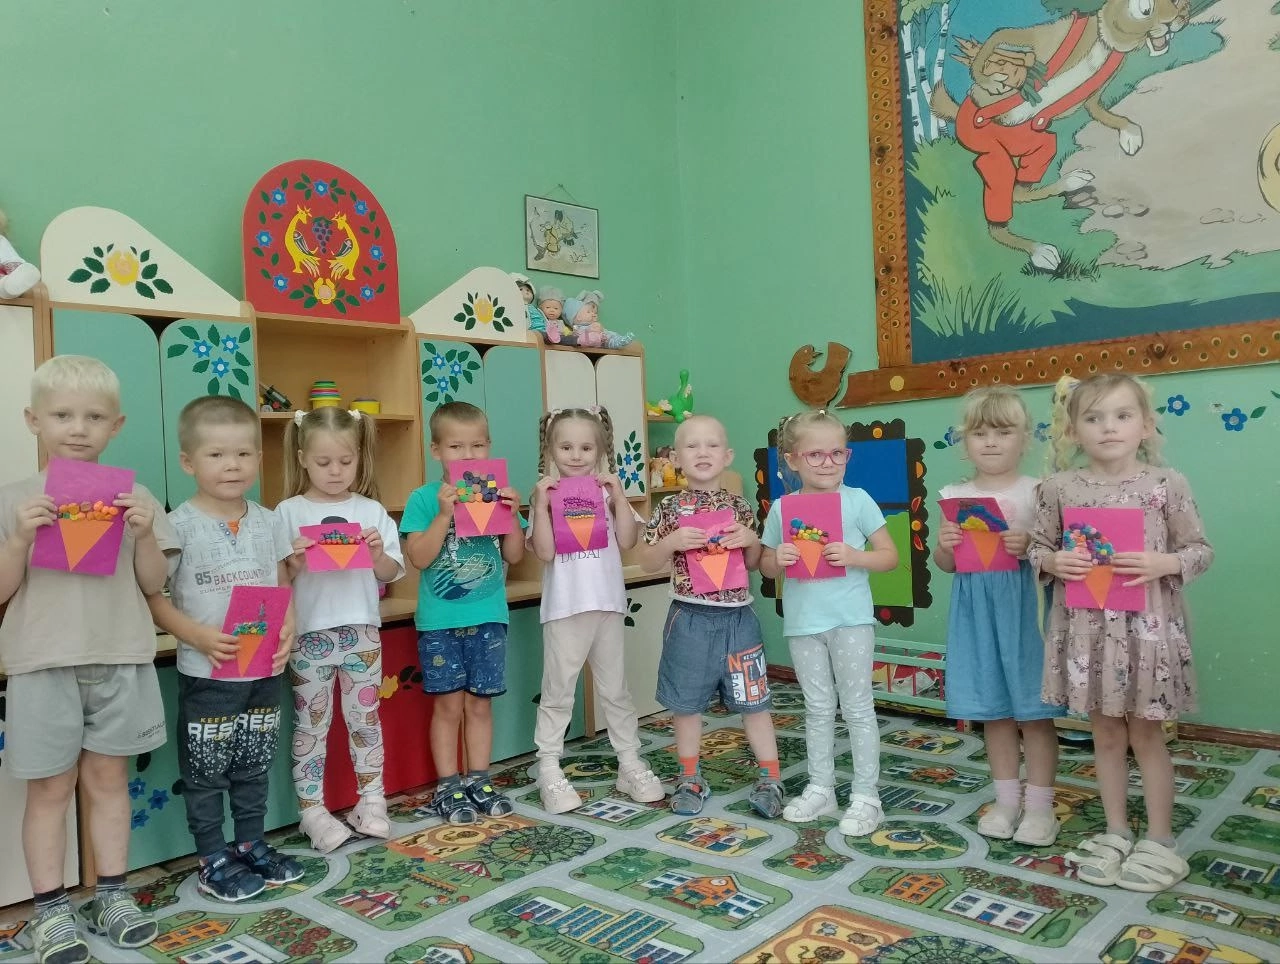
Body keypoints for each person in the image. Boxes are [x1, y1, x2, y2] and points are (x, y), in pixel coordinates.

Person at [0, 356, 175, 963]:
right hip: (41, 660)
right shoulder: (14, 499)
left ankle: (112, 896)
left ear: (116, 425)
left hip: (121, 655)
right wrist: (18, 539)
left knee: (108, 781)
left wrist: (145, 534)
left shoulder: (136, 497)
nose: (78, 428)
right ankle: (51, 909)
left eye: (95, 417)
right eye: (62, 415)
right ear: (34, 420)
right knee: (50, 788)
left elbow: (154, 586)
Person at [1029, 373, 1212, 892]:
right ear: (1073, 431)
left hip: (1146, 631)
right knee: (1105, 733)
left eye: (1122, 415)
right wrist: (1054, 561)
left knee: (1146, 733)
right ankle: (1115, 831)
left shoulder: (1166, 484)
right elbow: (1038, 548)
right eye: (1093, 418)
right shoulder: (1058, 488)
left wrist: (1164, 562)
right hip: (1086, 632)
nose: (1108, 427)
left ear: (1145, 426)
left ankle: (1159, 838)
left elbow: (1200, 550)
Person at [147, 395, 301, 902]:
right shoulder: (176, 524)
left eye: (243, 453)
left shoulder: (269, 520)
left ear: (258, 458)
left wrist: (288, 628)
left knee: (254, 762)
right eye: (216, 455)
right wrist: (195, 635)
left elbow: (281, 583)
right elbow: (154, 596)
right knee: (206, 770)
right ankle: (212, 857)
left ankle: (251, 843)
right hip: (208, 673)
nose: (232, 465)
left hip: (263, 669)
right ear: (188, 462)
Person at [932, 387, 1063, 846]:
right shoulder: (954, 495)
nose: (990, 442)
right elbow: (946, 565)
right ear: (965, 441)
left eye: (1003, 432)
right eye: (980, 433)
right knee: (995, 713)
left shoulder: (1039, 491)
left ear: (1024, 439)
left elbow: (1055, 555)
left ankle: (1041, 808)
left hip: (1024, 611)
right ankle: (1007, 802)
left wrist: (1029, 545)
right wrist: (945, 546)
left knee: (1034, 712)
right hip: (975, 613)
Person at [760, 410, 898, 836]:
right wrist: (778, 559)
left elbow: (889, 556)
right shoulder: (783, 508)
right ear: (792, 459)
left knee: (857, 707)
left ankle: (866, 796)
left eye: (837, 453)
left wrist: (855, 556)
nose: (827, 462)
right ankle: (821, 787)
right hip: (803, 623)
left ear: (847, 455)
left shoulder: (858, 500)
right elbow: (764, 564)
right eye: (815, 454)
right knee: (817, 708)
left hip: (851, 621)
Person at [638, 414, 783, 818]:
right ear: (675, 459)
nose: (702, 452)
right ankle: (689, 778)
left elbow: (752, 563)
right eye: (691, 446)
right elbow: (647, 561)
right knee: (686, 705)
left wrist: (751, 539)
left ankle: (771, 778)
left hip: (739, 620)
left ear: (727, 456)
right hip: (689, 619)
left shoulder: (740, 507)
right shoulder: (668, 508)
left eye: (712, 445)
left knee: (754, 702)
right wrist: (671, 542)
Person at [277, 408, 405, 852]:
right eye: (324, 461)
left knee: (365, 720)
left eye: (345, 461)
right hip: (309, 635)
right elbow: (276, 580)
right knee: (311, 726)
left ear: (359, 458)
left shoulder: (370, 511)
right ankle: (312, 811)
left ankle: (371, 801)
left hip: (363, 633)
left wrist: (376, 555)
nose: (335, 471)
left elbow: (391, 571)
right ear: (302, 459)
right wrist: (292, 562)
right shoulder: (287, 512)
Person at [527, 406, 663, 813]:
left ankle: (629, 761)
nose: (576, 455)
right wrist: (539, 505)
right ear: (550, 450)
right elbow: (545, 552)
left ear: (601, 451)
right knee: (558, 691)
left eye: (586, 447)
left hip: (606, 604)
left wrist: (619, 496)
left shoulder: (606, 493)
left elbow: (627, 541)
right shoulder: (547, 496)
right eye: (565, 447)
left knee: (616, 689)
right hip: (565, 608)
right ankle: (548, 767)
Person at [400, 401, 525, 824]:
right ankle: (448, 786)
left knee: (480, 706)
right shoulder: (422, 499)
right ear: (436, 451)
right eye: (456, 447)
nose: (468, 456)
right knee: (448, 708)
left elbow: (515, 555)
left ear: (489, 447)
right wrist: (443, 515)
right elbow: (419, 557)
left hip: (489, 619)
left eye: (477, 446)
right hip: (440, 623)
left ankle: (479, 780)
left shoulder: (496, 493)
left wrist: (513, 515)